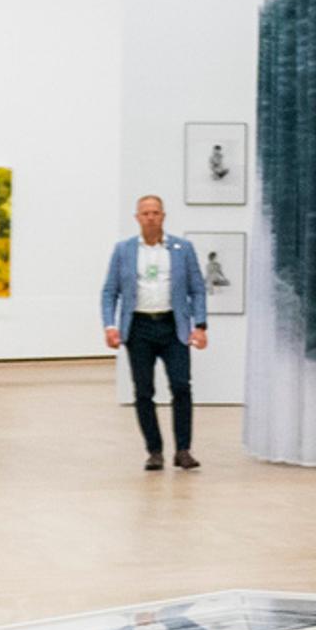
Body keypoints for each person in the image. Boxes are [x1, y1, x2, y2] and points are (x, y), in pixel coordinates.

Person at [97, 198, 208, 472]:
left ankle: (183, 450)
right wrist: (110, 326)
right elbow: (110, 291)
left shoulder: (182, 249)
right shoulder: (124, 250)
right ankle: (154, 451)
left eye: (155, 213)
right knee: (144, 390)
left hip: (173, 326)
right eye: (145, 213)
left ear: (163, 216)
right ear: (137, 217)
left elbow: (197, 288)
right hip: (139, 328)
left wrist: (200, 325)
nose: (150, 217)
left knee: (181, 386)